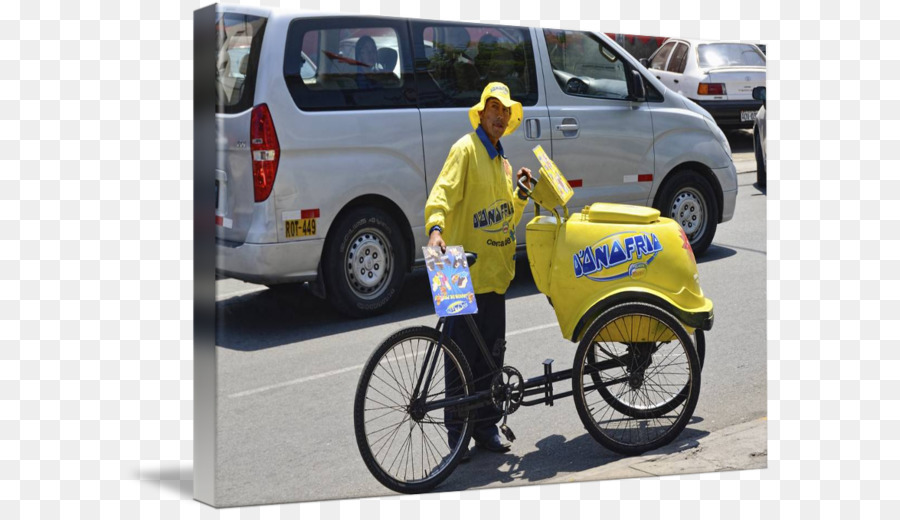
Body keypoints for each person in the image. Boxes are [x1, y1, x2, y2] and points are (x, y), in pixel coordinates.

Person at [425, 82, 532, 460]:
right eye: (494, 109)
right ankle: (457, 436)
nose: (500, 117)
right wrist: (435, 229)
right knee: (457, 359)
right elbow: (442, 193)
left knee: (490, 356)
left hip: (494, 271)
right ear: (481, 112)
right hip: (457, 268)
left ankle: (486, 427)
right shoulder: (465, 150)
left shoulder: (502, 163)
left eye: (505, 111)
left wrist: (519, 194)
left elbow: (506, 218)